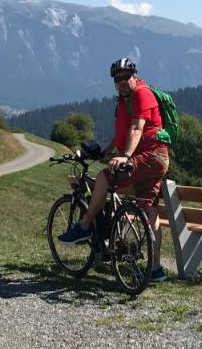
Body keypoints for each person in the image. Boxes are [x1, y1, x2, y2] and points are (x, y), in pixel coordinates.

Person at [58, 57, 171, 282]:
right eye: (116, 78)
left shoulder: (141, 94)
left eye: (125, 77)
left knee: (103, 179)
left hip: (150, 156)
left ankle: (85, 225)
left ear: (134, 76)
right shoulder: (123, 99)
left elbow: (137, 128)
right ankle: (155, 269)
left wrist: (126, 156)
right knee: (149, 209)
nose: (120, 81)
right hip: (155, 160)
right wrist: (108, 150)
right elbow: (123, 133)